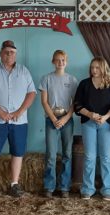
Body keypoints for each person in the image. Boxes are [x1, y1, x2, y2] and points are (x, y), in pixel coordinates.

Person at [0, 40, 36, 200]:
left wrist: (20, 111)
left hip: (19, 121)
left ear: (16, 54)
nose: (9, 54)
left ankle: (14, 184)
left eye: (12, 52)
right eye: (6, 52)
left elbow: (31, 93)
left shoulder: (24, 71)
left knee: (17, 153)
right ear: (0, 54)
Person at [74, 56, 110, 201]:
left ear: (103, 68)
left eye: (97, 67)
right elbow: (77, 106)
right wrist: (91, 115)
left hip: (106, 124)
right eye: (92, 67)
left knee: (105, 157)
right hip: (88, 123)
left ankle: (108, 190)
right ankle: (87, 189)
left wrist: (104, 118)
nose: (94, 70)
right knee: (89, 157)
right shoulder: (84, 84)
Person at [39, 50, 78, 198]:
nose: (60, 62)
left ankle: (65, 187)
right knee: (51, 154)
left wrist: (66, 118)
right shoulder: (46, 79)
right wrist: (53, 119)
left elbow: (75, 103)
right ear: (53, 61)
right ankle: (49, 186)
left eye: (63, 60)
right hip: (51, 119)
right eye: (57, 60)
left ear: (66, 61)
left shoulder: (72, 80)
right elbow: (44, 101)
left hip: (66, 120)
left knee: (67, 153)